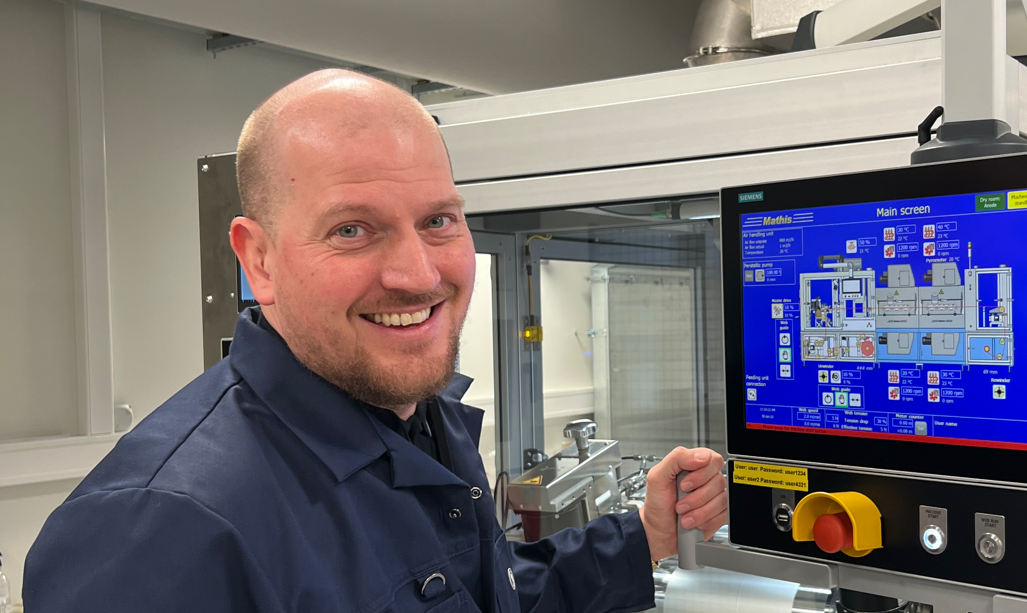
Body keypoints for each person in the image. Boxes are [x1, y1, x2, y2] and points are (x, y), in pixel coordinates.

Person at [23, 69, 728, 612]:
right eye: (351, 230)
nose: (417, 274)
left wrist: (642, 535)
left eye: (438, 220)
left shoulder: (418, 419)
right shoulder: (156, 528)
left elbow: (485, 595)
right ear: (258, 259)